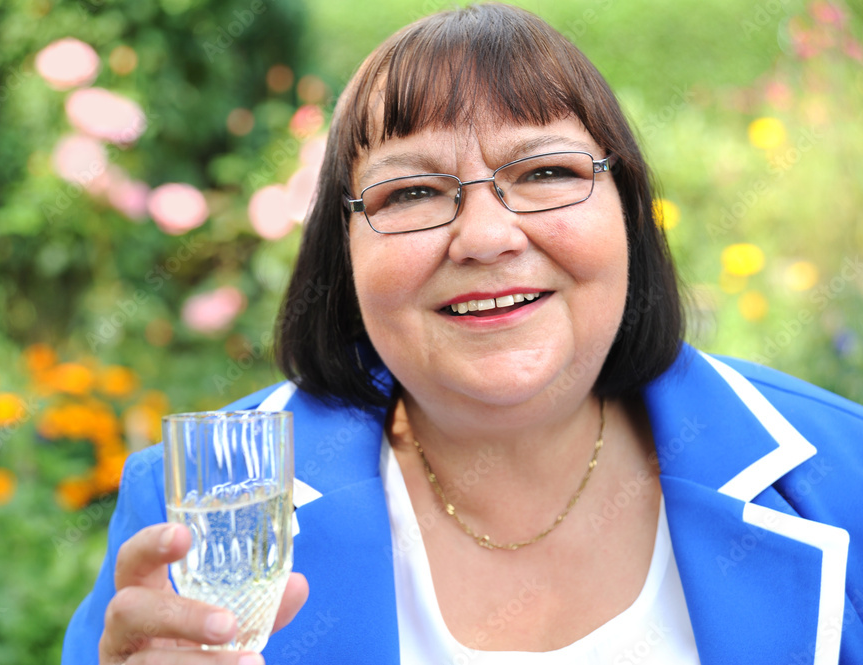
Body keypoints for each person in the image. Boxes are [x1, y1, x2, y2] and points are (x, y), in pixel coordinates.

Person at [63, 4, 863, 663]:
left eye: (545, 173)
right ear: (343, 251)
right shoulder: (196, 506)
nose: (485, 237)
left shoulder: (843, 473)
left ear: (627, 208)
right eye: (412, 192)